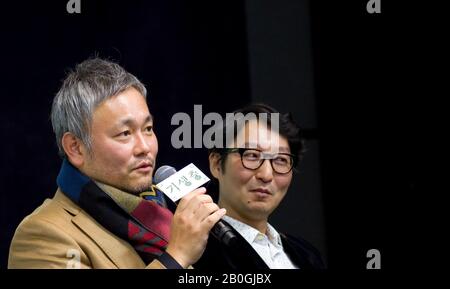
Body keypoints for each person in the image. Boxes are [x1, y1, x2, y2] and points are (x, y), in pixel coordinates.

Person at [8, 58, 226, 269]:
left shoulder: (164, 213)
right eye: (125, 133)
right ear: (75, 147)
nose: (145, 147)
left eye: (148, 129)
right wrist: (176, 256)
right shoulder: (43, 233)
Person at [194, 104, 325, 269]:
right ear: (217, 164)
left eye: (281, 160)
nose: (266, 175)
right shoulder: (195, 252)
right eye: (252, 155)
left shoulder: (307, 255)